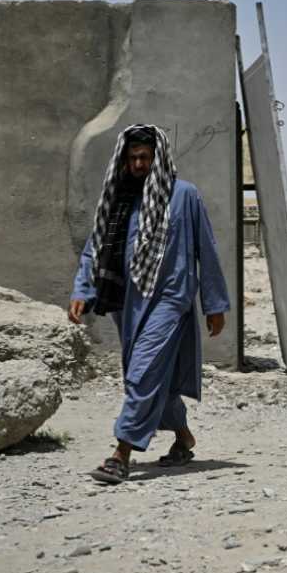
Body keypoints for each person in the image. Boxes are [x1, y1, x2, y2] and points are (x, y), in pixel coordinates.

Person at [69, 124, 230, 484]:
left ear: (159, 159)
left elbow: (207, 248)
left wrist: (214, 303)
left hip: (171, 299)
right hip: (128, 302)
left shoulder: (185, 196)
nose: (139, 164)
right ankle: (183, 436)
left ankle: (121, 453)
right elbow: (95, 247)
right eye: (133, 158)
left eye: (145, 157)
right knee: (154, 377)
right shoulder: (119, 198)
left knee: (143, 371)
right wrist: (82, 288)